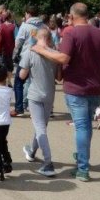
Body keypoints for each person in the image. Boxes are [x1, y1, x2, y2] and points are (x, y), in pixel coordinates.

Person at [31, 3, 100, 181]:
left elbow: (63, 58)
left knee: (82, 126)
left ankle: (83, 168)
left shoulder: (70, 33)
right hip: (96, 87)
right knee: (86, 125)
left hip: (76, 88)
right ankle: (80, 159)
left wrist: (41, 49)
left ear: (72, 16)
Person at [19, 28, 60, 177]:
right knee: (41, 125)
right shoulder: (55, 54)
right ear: (49, 39)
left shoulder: (30, 52)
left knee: (40, 128)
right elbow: (59, 77)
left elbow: (22, 75)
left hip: (35, 94)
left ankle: (48, 163)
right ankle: (31, 151)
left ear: (37, 37)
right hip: (50, 95)